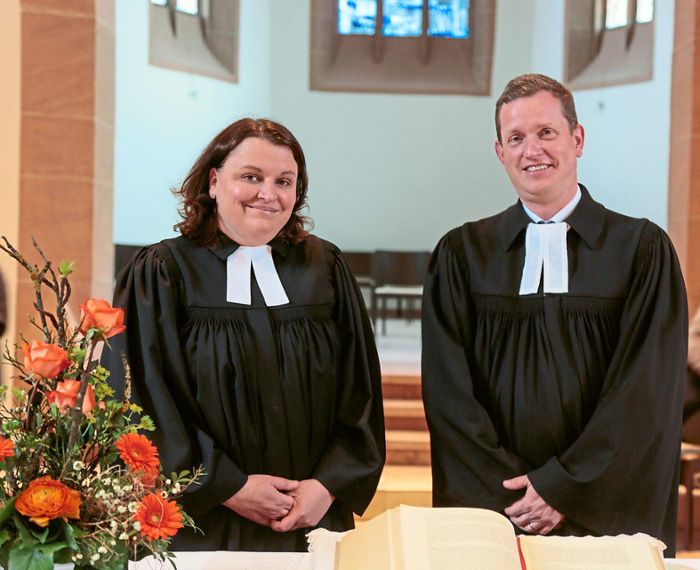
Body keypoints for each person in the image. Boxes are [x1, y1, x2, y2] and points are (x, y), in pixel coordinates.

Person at [422, 73, 687, 553]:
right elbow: (448, 395)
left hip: (605, 506)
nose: (532, 150)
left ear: (577, 139)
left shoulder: (640, 250)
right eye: (516, 138)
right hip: (500, 509)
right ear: (500, 152)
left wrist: (565, 487)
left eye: (546, 132)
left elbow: (646, 392)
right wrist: (516, 495)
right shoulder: (463, 254)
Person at [105, 118, 385, 551]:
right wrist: (227, 485)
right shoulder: (162, 273)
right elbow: (141, 398)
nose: (268, 194)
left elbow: (359, 390)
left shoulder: (324, 268)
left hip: (311, 521)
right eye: (251, 177)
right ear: (214, 181)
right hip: (200, 521)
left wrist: (327, 485)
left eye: (284, 181)